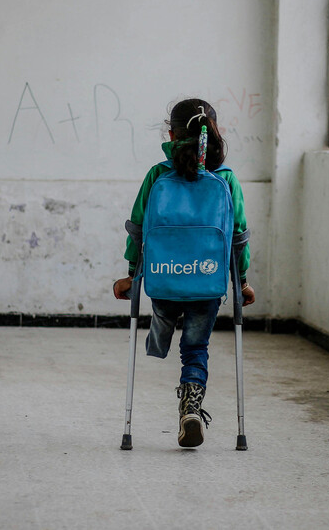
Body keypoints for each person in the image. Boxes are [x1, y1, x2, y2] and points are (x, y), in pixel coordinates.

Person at [112, 98, 255, 448]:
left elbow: (138, 230)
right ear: (215, 132)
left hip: (163, 279)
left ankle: (160, 336)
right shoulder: (226, 178)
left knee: (165, 310)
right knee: (195, 348)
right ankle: (190, 407)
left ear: (171, 134)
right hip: (208, 280)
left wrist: (132, 275)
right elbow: (238, 237)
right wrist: (243, 282)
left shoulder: (158, 175)